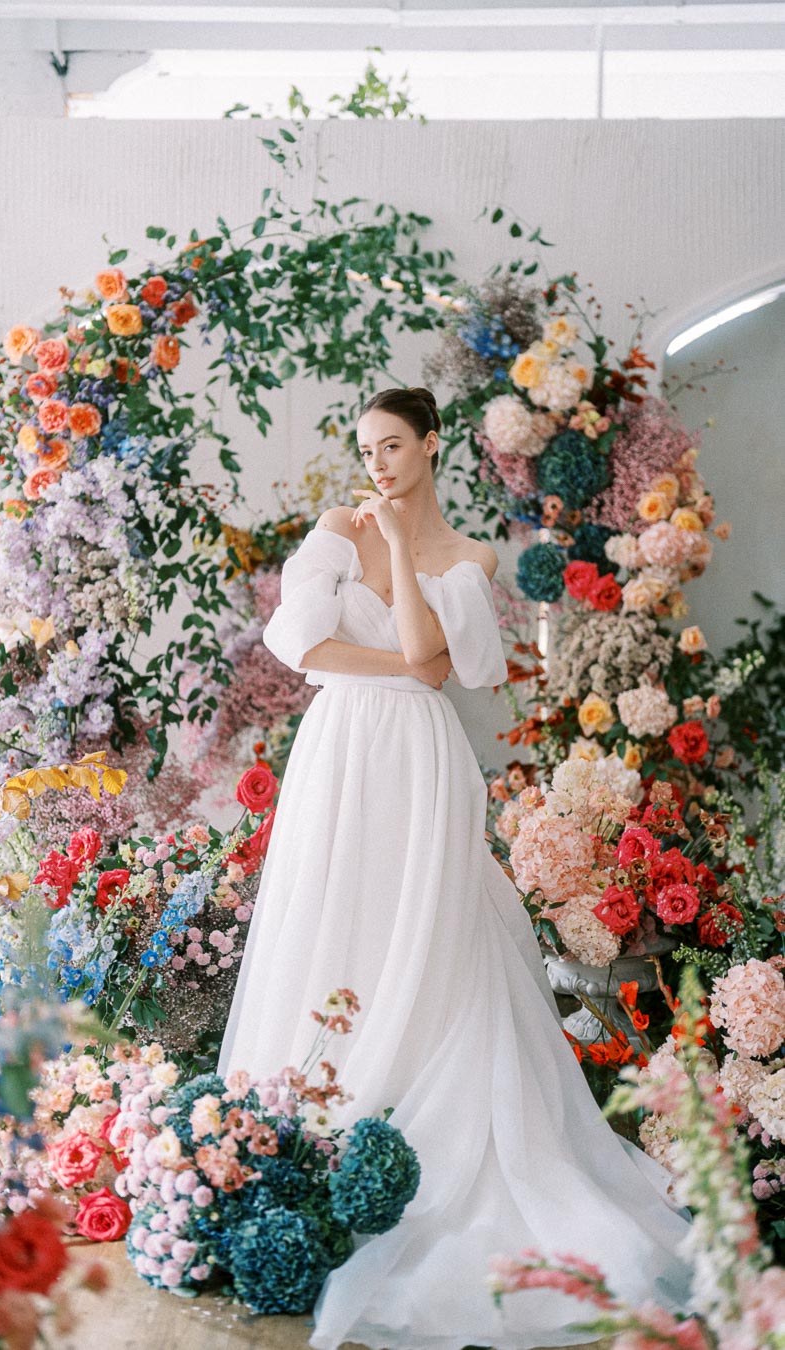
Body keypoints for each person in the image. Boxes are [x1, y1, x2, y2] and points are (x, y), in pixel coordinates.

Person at [215, 386, 694, 1350]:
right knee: (333, 914)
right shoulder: (330, 532)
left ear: (430, 446)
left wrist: (398, 551)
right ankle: (301, 1130)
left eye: (393, 445)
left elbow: (454, 664)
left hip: (423, 762)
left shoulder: (468, 558)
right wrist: (394, 651)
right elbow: (303, 642)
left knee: (426, 928)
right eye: (366, 447)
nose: (377, 463)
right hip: (341, 749)